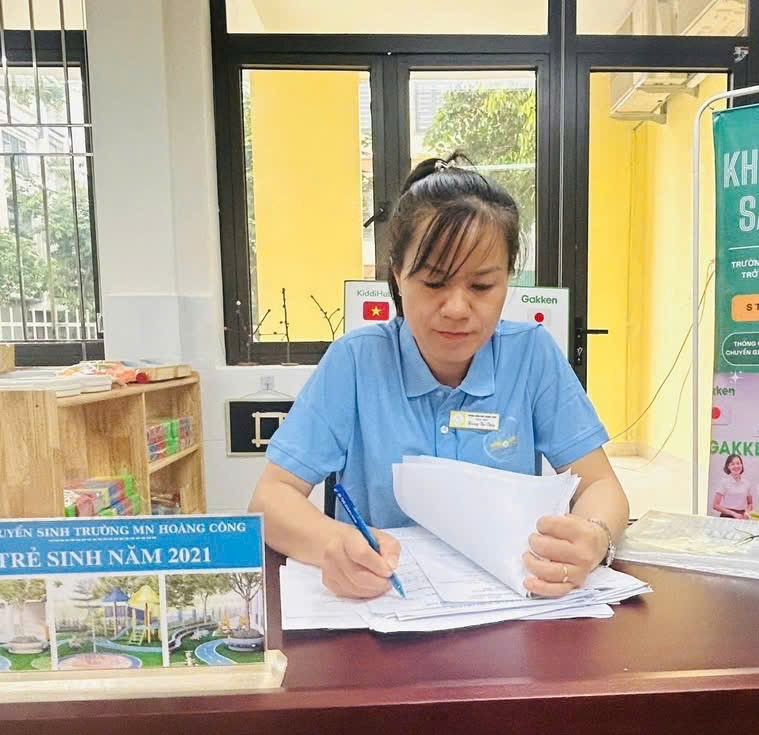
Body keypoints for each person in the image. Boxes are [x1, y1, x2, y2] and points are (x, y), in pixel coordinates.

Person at [250, 154, 630, 600]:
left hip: (508, 606)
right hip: (386, 606)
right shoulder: (355, 362)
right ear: (398, 276)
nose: (456, 308)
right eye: (434, 283)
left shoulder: (531, 355)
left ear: (507, 281)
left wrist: (593, 535)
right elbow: (271, 499)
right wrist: (333, 543)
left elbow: (601, 484)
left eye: (481, 286)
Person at [712, 454, 753, 518]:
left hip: (741, 517)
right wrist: (733, 513)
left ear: (741, 465)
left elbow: (750, 503)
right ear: (728, 466)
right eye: (732, 464)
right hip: (727, 516)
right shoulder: (724, 482)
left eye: (738, 463)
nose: (736, 466)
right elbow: (715, 505)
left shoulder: (747, 483)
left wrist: (747, 512)